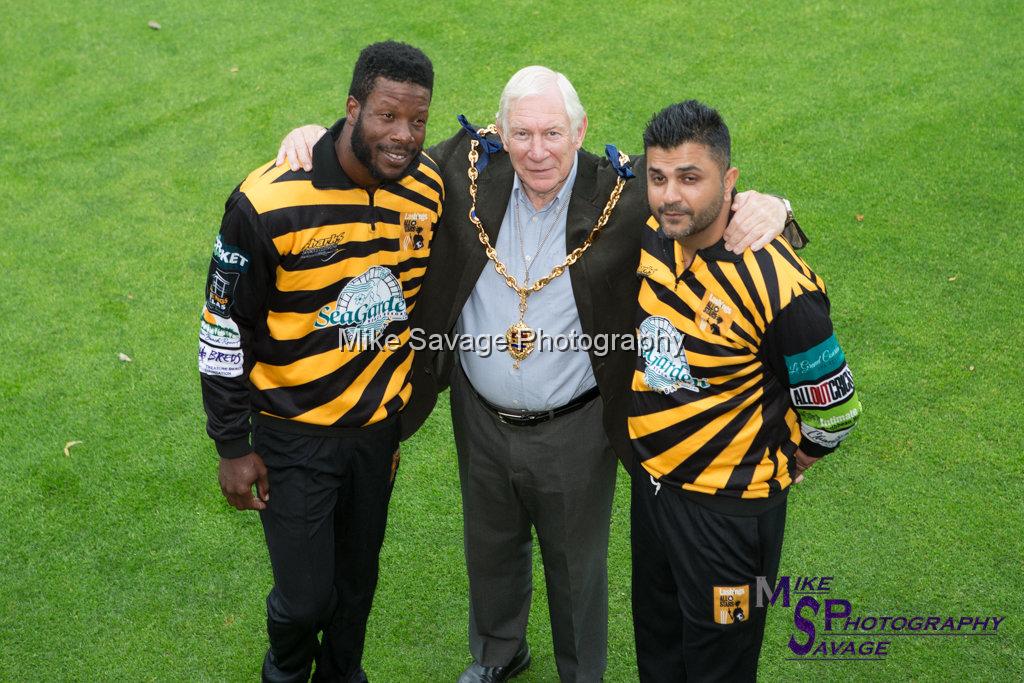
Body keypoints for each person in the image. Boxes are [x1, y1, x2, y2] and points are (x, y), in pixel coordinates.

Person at [276, 67, 798, 682]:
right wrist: (321, 136)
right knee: (489, 549)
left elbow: (699, 198)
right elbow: (385, 155)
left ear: (580, 131)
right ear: (500, 132)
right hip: (479, 413)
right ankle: (497, 655)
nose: (537, 150)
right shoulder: (464, 171)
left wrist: (774, 206)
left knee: (577, 566)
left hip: (576, 425)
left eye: (553, 132)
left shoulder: (627, 192)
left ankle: (581, 675)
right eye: (521, 133)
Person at [198, 41, 443, 683]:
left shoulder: (428, 186)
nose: (403, 136)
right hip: (291, 434)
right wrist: (230, 445)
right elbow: (225, 327)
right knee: (307, 598)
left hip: (375, 436)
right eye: (387, 116)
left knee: (356, 588)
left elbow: (502, 156)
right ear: (353, 108)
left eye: (417, 121)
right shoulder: (267, 201)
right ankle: (284, 671)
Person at [629, 100, 862, 681]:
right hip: (654, 495)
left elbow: (835, 412)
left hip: (727, 520)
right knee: (658, 649)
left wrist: (789, 456)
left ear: (729, 182)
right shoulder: (655, 233)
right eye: (657, 178)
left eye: (690, 177)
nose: (669, 196)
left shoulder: (780, 283)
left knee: (719, 666)